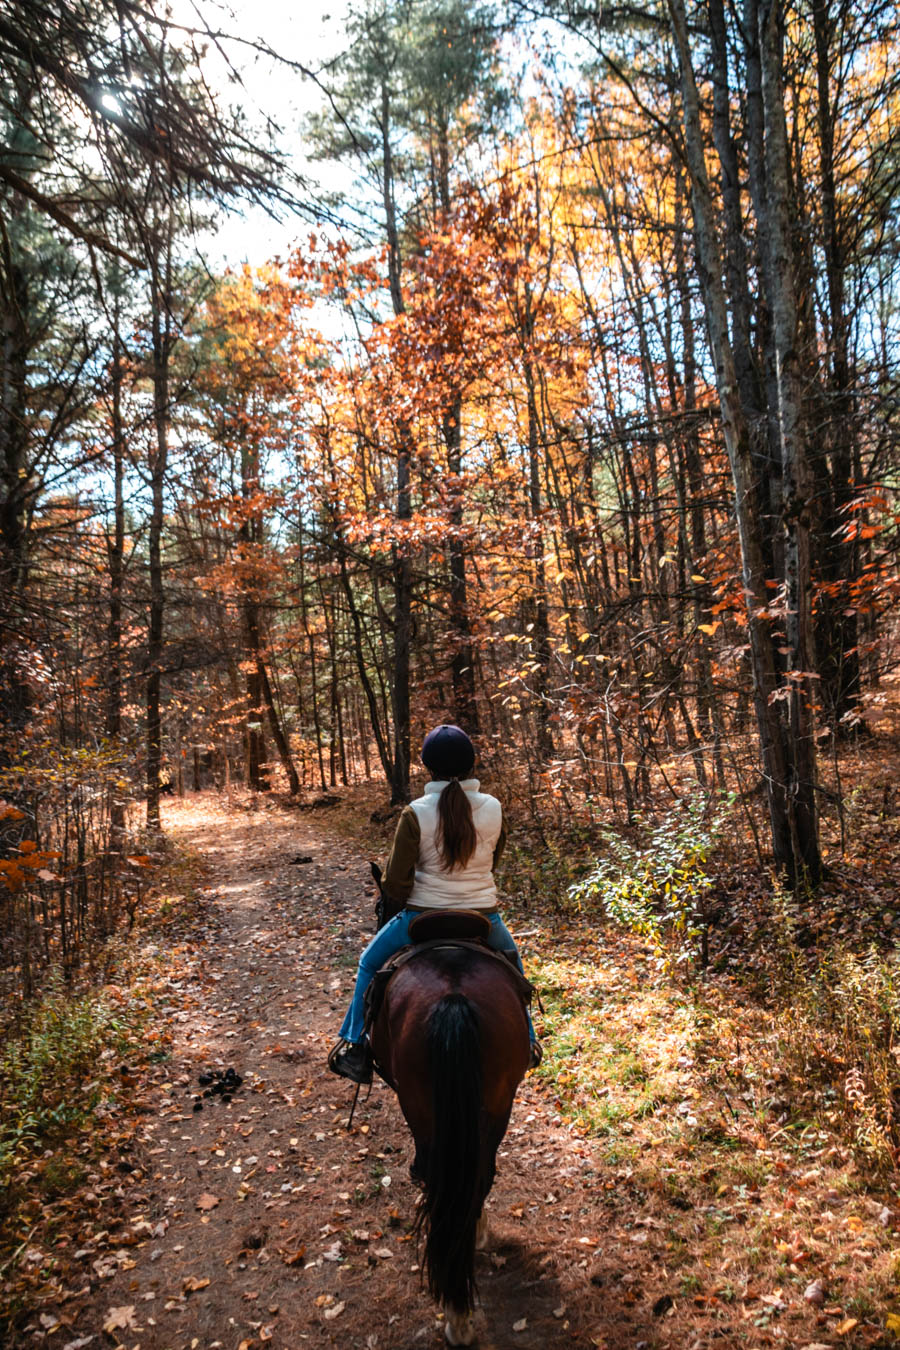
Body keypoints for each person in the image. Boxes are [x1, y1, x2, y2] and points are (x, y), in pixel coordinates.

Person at [328, 724, 542, 1084]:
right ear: (472, 763)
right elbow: (492, 863)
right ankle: (531, 1042)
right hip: (483, 917)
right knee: (515, 970)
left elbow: (396, 882)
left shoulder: (416, 812)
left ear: (428, 766)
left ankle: (355, 1046)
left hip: (420, 915)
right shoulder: (493, 808)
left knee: (368, 963)